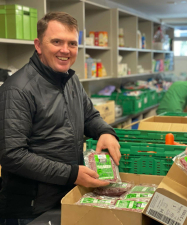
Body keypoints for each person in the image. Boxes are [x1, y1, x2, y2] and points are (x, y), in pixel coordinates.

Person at [0, 12, 121, 224]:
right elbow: (12, 155)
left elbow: (89, 115)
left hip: (65, 196)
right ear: (38, 45)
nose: (65, 50)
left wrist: (105, 131)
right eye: (57, 42)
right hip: (31, 208)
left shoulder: (69, 80)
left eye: (72, 43)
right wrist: (71, 174)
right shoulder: (18, 90)